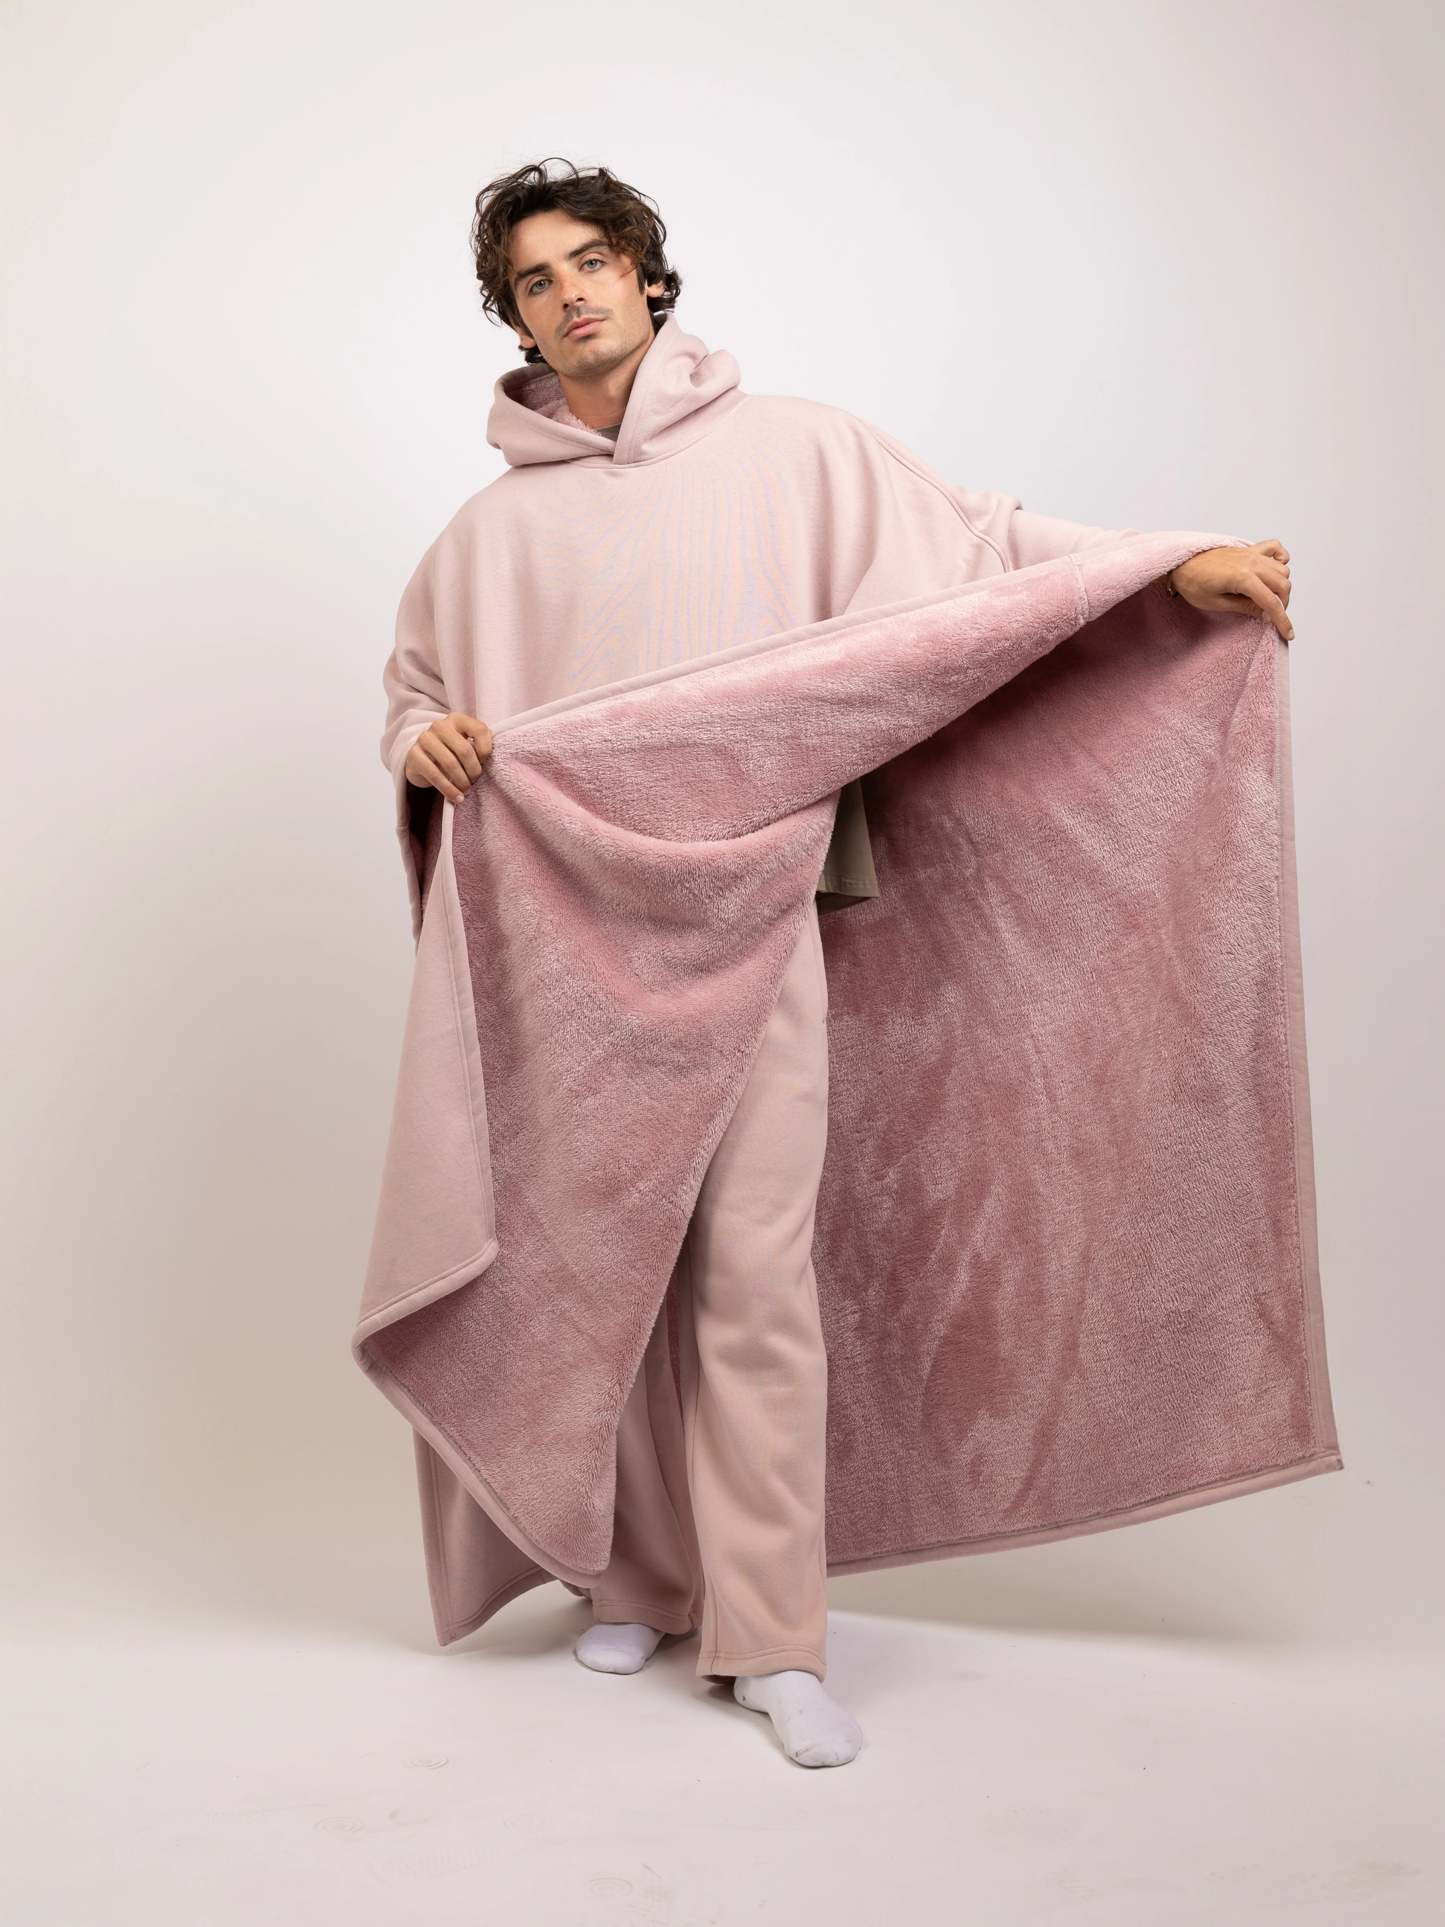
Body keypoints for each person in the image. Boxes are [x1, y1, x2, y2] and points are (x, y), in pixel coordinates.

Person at [383, 157, 1293, 1769]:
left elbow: (980, 543)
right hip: (566, 954)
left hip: (755, 919)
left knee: (751, 1273)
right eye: (536, 278)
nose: (571, 293)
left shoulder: (795, 450)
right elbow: (416, 690)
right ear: (512, 317)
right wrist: (420, 738)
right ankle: (640, 1579)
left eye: (592, 261)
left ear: (647, 276)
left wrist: (1167, 566)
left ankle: (769, 1636)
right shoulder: (483, 535)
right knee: (608, 1273)